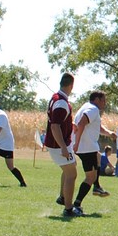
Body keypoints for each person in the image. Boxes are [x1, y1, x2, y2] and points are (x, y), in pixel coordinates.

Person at [71, 90, 114, 213]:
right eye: (103, 100)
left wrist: (109, 133)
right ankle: (77, 204)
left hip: (88, 147)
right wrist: (77, 143)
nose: (105, 103)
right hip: (86, 147)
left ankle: (97, 186)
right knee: (90, 177)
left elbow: (96, 126)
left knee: (99, 158)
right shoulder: (93, 109)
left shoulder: (87, 107)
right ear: (97, 100)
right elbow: (81, 123)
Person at [45, 73, 81, 217]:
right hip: (58, 145)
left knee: (70, 168)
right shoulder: (61, 103)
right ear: (71, 85)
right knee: (72, 174)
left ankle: (62, 197)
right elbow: (55, 126)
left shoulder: (56, 97)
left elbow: (56, 119)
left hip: (57, 143)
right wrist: (63, 148)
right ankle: (68, 208)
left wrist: (70, 124)